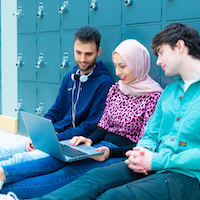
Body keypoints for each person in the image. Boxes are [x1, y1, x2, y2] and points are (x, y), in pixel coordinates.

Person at [33, 23, 200, 200]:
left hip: (190, 178)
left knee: (113, 196)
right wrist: (141, 153)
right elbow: (150, 135)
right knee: (91, 181)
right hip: (152, 164)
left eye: (160, 53)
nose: (157, 62)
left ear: (179, 46)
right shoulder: (169, 92)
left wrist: (155, 160)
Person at [0, 39, 163, 198]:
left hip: (120, 153)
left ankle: (9, 192)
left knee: (67, 174)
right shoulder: (117, 89)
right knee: (56, 159)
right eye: (115, 66)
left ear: (138, 64)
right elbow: (103, 126)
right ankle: (3, 174)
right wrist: (89, 141)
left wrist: (110, 152)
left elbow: (146, 144)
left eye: (123, 66)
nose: (118, 72)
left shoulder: (154, 97)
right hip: (100, 145)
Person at [0, 25, 113, 167]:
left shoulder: (104, 83)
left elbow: (89, 127)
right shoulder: (69, 78)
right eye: (78, 52)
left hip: (71, 142)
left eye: (88, 54)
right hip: (54, 138)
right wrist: (38, 134)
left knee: (19, 160)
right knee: (7, 150)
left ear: (98, 52)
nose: (82, 59)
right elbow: (56, 111)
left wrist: (49, 140)